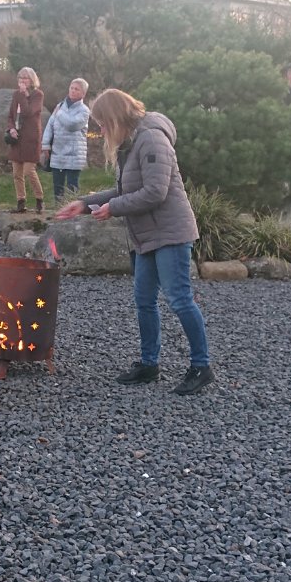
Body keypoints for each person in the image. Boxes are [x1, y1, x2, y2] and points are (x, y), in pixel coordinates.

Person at [56, 88, 214, 396]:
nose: (101, 131)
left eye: (102, 124)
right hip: (145, 236)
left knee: (179, 299)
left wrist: (113, 208)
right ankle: (148, 364)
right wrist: (85, 204)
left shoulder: (152, 138)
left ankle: (201, 366)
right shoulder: (129, 142)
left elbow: (155, 192)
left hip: (170, 232)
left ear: (115, 117)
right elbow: (124, 190)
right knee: (144, 300)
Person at [42, 78, 90, 201]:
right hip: (57, 152)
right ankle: (58, 210)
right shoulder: (60, 106)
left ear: (83, 93)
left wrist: (59, 114)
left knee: (72, 188)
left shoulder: (84, 110)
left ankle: (72, 211)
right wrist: (45, 144)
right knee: (57, 187)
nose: (73, 91)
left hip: (74, 154)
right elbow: (50, 125)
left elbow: (72, 125)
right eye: (71, 88)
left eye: (76, 89)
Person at [7, 67, 45, 213]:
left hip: (31, 138)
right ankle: (20, 201)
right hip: (17, 137)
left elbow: (28, 112)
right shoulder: (16, 94)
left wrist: (23, 95)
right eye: (20, 78)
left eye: (25, 78)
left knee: (29, 171)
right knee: (16, 172)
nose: (22, 81)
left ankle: (39, 199)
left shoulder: (37, 95)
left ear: (32, 80)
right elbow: (11, 115)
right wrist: (11, 128)